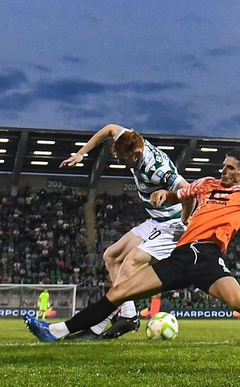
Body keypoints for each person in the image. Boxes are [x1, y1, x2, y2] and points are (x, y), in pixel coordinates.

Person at [26, 148, 240, 344]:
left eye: (230, 168)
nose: (223, 171)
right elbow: (179, 194)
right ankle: (55, 331)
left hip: (209, 259)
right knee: (118, 292)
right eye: (223, 166)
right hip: (181, 256)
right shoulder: (206, 184)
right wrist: (165, 196)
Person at [59, 124, 192, 339]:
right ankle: (129, 315)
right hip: (156, 220)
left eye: (123, 159)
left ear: (137, 154)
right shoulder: (130, 140)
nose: (120, 162)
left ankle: (96, 326)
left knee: (130, 263)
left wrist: (184, 222)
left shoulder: (157, 169)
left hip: (171, 223)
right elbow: (110, 128)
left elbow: (188, 192)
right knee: (111, 256)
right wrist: (81, 154)